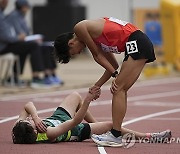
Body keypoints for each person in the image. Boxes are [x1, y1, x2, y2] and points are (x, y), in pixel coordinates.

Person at [53, 17, 157, 147]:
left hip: (136, 42)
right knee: (119, 89)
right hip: (137, 43)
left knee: (118, 89)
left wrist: (115, 75)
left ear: (71, 44)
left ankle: (115, 135)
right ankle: (116, 134)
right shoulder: (97, 40)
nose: (78, 53)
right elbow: (112, 66)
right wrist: (98, 85)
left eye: (73, 54)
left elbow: (97, 56)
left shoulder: (79, 28)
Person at [12, 91, 171, 145]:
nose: (29, 119)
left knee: (74, 96)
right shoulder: (49, 133)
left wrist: (35, 116)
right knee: (110, 125)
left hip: (57, 117)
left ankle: (101, 131)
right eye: (30, 122)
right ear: (34, 130)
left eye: (27, 120)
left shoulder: (20, 127)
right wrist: (88, 100)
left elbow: (28, 105)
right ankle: (149, 137)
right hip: (75, 130)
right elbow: (75, 121)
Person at [5, 0, 64, 86]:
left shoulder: (21, 16)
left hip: (21, 41)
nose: (27, 9)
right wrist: (30, 38)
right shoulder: (14, 16)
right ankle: (36, 76)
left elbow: (26, 33)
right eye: (26, 7)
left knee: (46, 45)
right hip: (14, 43)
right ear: (22, 7)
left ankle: (50, 74)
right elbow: (20, 33)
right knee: (35, 46)